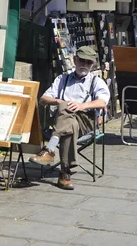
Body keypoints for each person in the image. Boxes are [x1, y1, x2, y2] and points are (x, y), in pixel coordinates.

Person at [29, 46, 110, 190]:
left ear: (93, 64)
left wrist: (82, 105)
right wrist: (58, 102)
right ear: (74, 60)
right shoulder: (62, 79)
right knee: (68, 122)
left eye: (88, 62)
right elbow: (43, 99)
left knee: (66, 115)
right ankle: (65, 173)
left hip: (86, 121)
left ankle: (50, 150)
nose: (84, 65)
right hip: (65, 120)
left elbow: (102, 101)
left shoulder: (96, 81)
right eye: (82, 61)